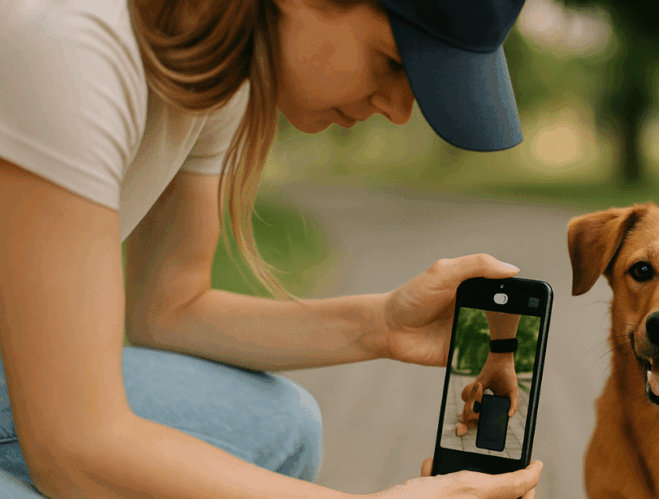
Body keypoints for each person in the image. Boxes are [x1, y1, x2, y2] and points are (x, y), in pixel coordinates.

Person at [0, 0, 543, 497]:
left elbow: (167, 309)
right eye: (393, 63)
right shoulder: (72, 45)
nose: (401, 109)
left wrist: (383, 325)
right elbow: (72, 450)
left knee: (281, 426)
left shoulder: (217, 75)